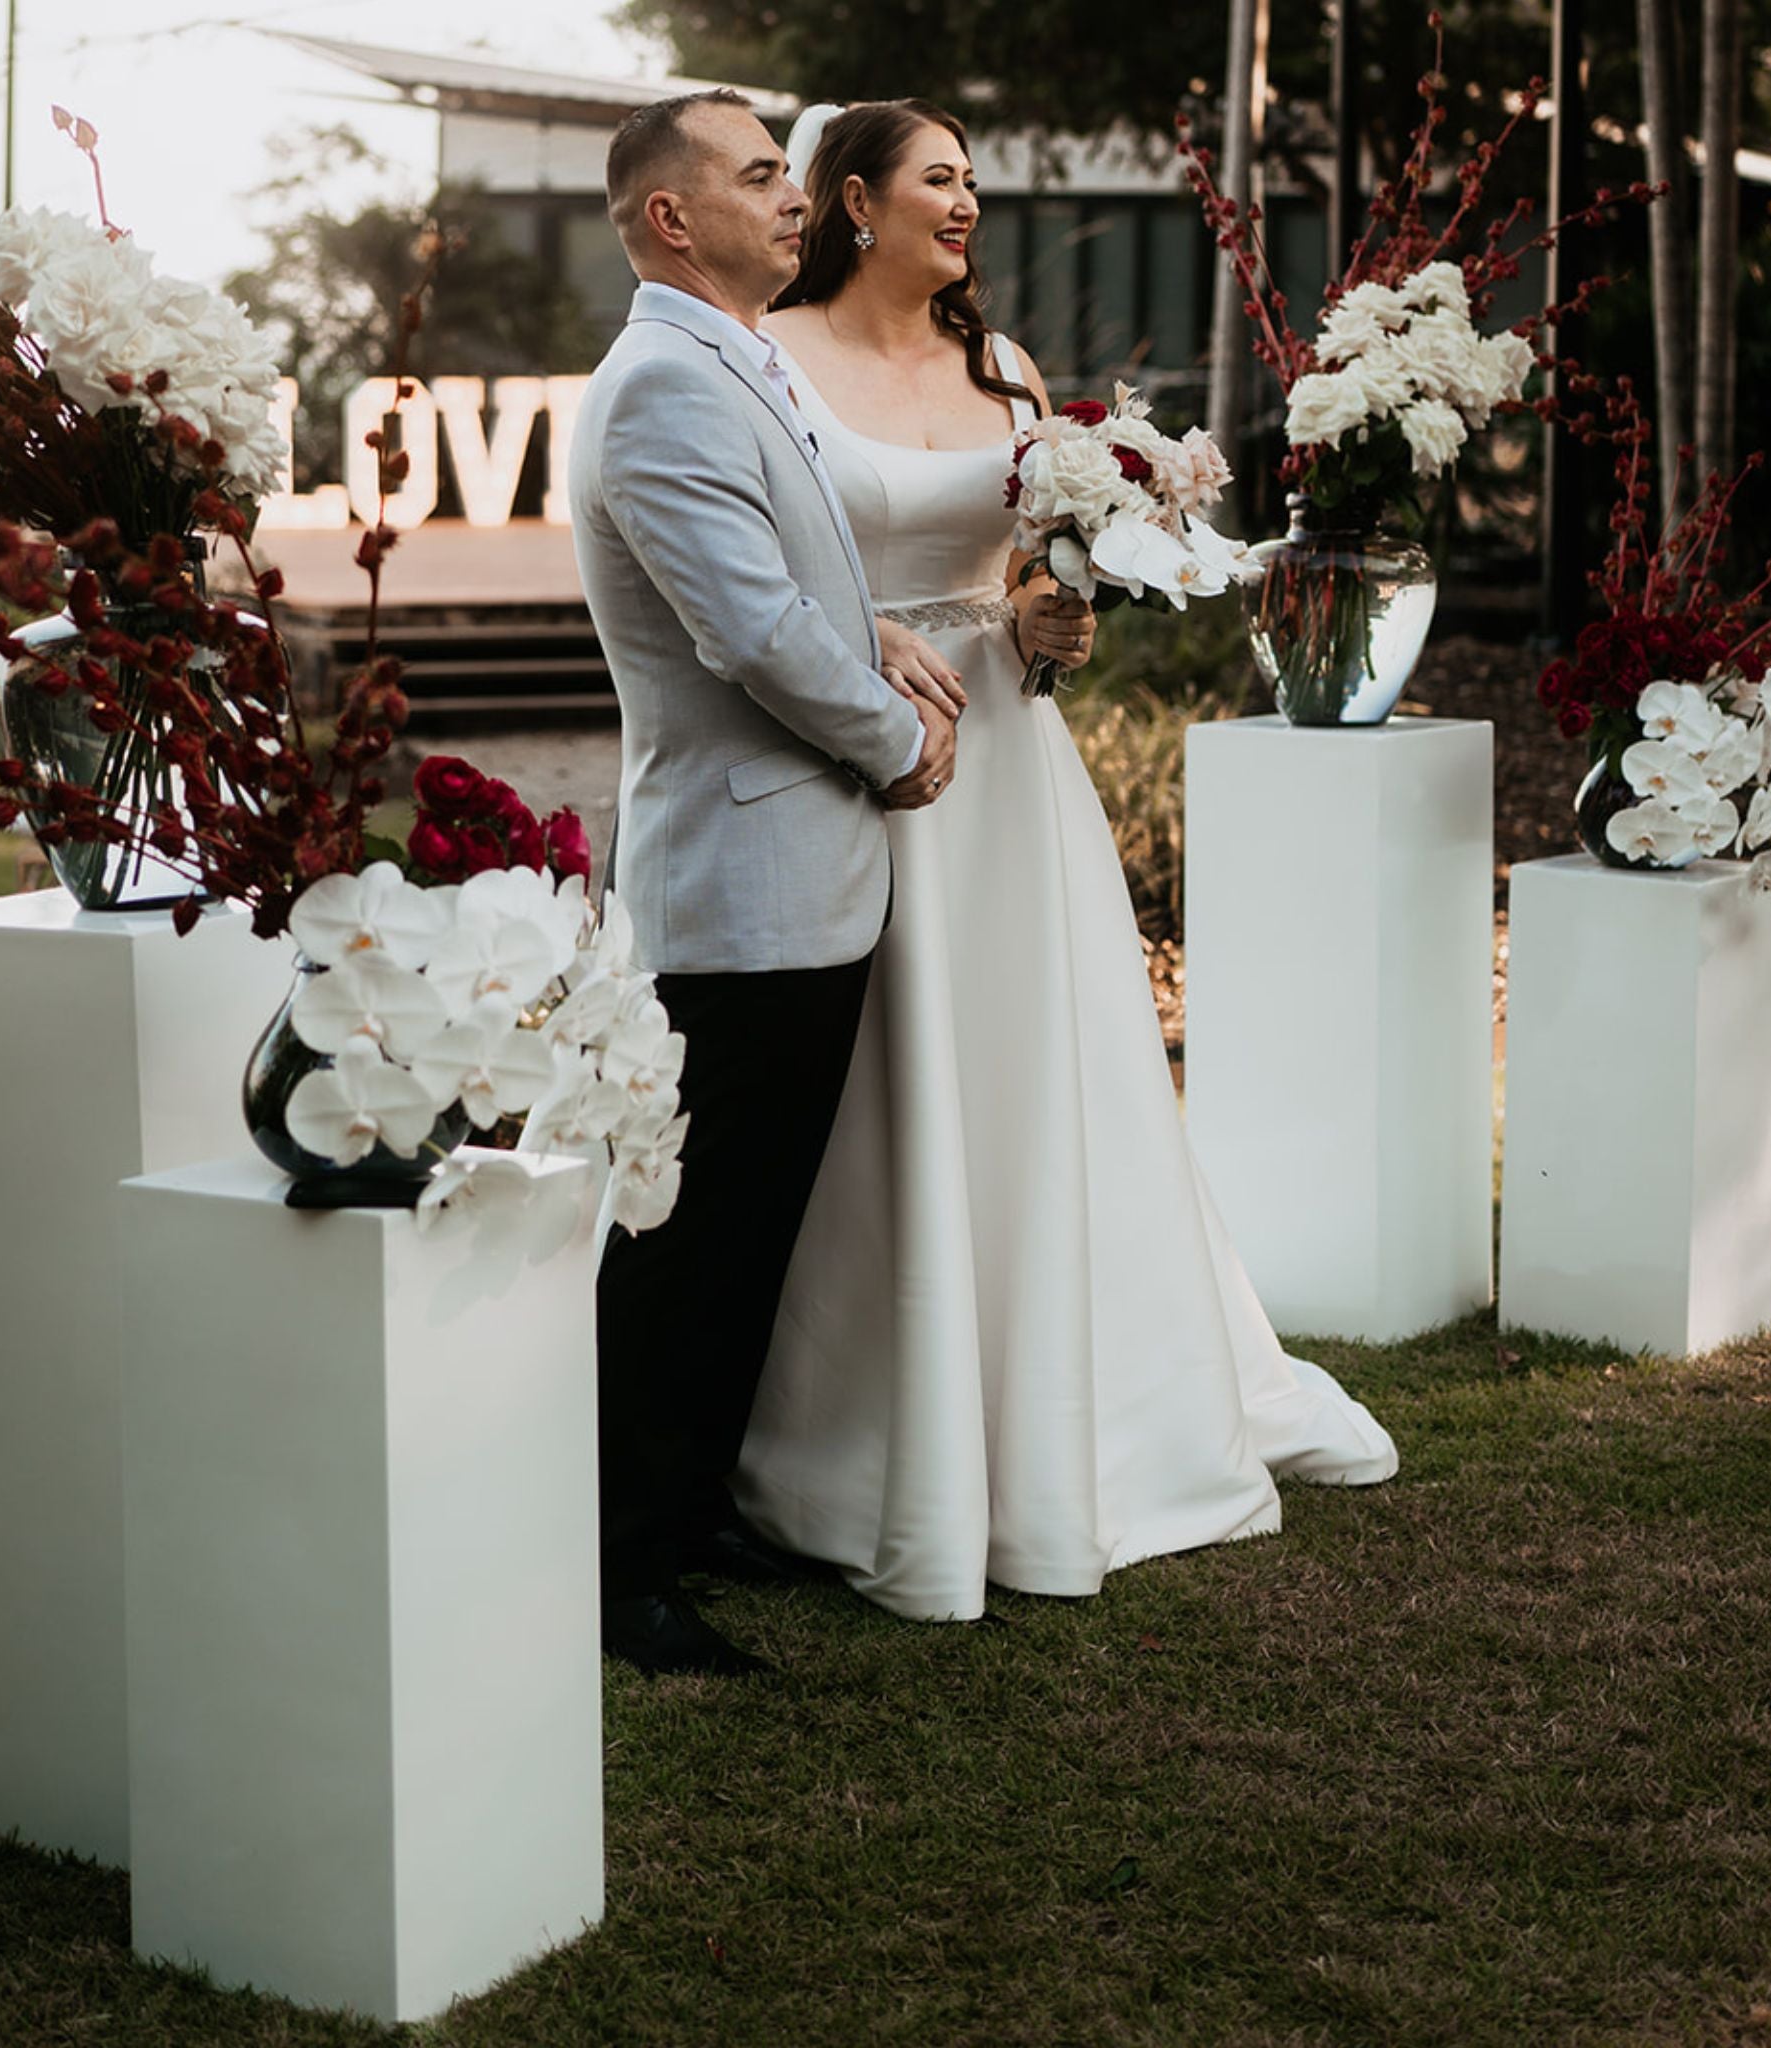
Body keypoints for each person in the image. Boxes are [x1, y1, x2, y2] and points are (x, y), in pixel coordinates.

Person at [731, 100, 1400, 1621]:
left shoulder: (1006, 371)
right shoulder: (770, 363)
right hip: (868, 759)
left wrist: (1050, 613)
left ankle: (1082, 1410)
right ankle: (852, 1437)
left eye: (974, 180)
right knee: (883, 1097)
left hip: (1012, 766)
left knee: (1040, 1082)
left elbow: (1032, 563)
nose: (967, 205)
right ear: (853, 203)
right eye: (938, 180)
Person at [569, 90, 959, 1676]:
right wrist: (894, 743)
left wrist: (870, 632)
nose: (790, 196)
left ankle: (692, 1502)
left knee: (746, 1232)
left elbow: (798, 577)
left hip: (793, 871)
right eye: (753, 177)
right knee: (689, 1244)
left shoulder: (738, 355)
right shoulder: (665, 384)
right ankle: (612, 1567)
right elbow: (743, 627)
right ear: (672, 218)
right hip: (743, 873)